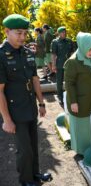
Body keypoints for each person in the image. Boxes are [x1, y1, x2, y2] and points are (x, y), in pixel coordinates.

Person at [0, 14, 52, 186]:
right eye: (19, 33)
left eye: (25, 33)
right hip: (15, 110)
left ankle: (35, 174)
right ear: (7, 31)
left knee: (33, 145)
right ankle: (26, 180)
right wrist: (6, 119)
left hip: (30, 106)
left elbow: (35, 79)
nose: (23, 37)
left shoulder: (28, 53)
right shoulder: (1, 55)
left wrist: (41, 103)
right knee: (24, 149)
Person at [64, 32, 91, 167]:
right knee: (80, 126)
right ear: (82, 46)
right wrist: (73, 101)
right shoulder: (72, 62)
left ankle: (90, 148)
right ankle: (81, 150)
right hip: (79, 101)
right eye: (90, 49)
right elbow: (69, 84)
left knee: (90, 124)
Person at [51, 26, 74, 106]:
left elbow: (72, 53)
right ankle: (60, 97)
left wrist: (72, 62)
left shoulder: (69, 41)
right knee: (59, 82)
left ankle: (70, 97)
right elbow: (53, 54)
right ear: (59, 33)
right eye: (62, 32)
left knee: (70, 81)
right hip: (59, 65)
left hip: (68, 64)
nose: (64, 33)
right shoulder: (55, 42)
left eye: (65, 32)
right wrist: (53, 65)